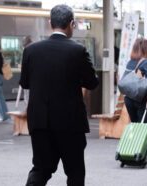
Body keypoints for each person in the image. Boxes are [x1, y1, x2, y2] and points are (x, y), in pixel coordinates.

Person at [19, 4, 98, 186]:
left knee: (40, 169)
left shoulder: (31, 50)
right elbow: (92, 83)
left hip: (40, 121)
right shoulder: (78, 51)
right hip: (70, 123)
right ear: (72, 23)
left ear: (50, 23)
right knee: (75, 172)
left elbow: (25, 83)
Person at [123, 37, 147, 123]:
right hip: (140, 99)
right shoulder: (146, 63)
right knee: (142, 125)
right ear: (146, 49)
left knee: (135, 125)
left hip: (128, 99)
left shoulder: (130, 62)